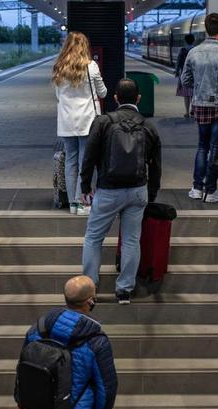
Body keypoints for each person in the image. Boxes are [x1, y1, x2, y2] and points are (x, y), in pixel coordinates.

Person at [17, 275, 118, 409]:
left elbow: (23, 366)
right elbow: (106, 386)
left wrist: (21, 403)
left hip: (38, 408)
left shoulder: (39, 327)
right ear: (90, 301)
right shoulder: (96, 340)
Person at [80, 79, 162, 304]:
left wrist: (85, 186)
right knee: (131, 240)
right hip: (137, 191)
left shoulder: (103, 122)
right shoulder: (148, 125)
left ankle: (88, 289)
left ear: (115, 98)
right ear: (138, 99)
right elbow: (156, 166)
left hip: (108, 190)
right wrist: (151, 194)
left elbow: (89, 157)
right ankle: (124, 290)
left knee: (94, 237)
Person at [182, 12, 218, 203]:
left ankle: (197, 188)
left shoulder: (193, 52)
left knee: (202, 147)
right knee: (215, 148)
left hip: (199, 105)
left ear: (206, 29)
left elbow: (185, 80)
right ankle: (210, 190)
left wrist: (199, 86)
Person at [53, 32, 108, 216]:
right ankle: (81, 202)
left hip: (67, 120)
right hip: (87, 120)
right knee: (86, 161)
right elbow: (104, 92)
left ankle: (72, 203)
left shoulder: (59, 67)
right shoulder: (91, 67)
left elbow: (57, 96)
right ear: (85, 47)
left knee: (70, 160)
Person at [174, 34, 196, 118]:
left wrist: (176, 72)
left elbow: (178, 62)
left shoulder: (183, 50)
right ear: (193, 40)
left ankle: (187, 112)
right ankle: (193, 111)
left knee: (186, 94)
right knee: (194, 94)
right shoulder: (195, 50)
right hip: (194, 74)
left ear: (185, 41)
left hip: (184, 74)